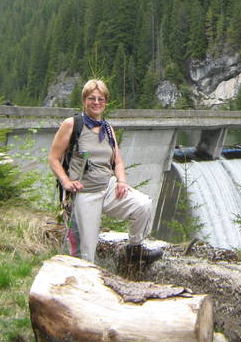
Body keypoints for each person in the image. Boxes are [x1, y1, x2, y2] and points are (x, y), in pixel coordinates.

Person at [48, 79, 162, 264]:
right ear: (84, 100)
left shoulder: (107, 129)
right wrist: (66, 182)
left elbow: (117, 160)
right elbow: (53, 158)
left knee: (143, 205)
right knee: (85, 255)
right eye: (92, 98)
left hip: (107, 188)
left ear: (105, 102)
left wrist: (122, 182)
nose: (96, 102)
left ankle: (135, 250)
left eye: (101, 99)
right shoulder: (72, 124)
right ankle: (78, 284)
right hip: (83, 193)